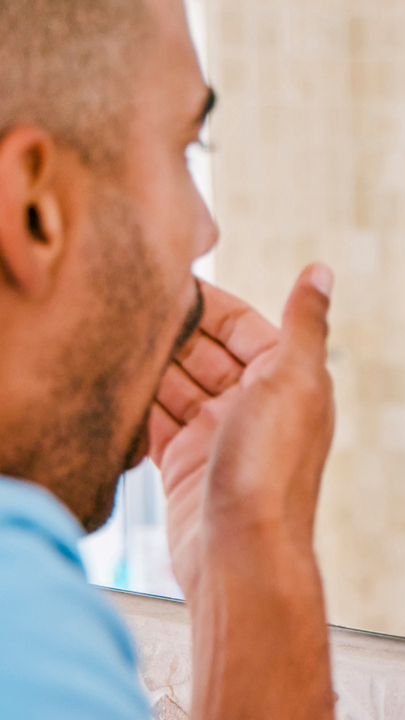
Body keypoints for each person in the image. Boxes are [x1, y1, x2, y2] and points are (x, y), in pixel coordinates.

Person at [0, 0, 337, 717]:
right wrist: (267, 553)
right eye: (186, 148)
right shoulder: (21, 625)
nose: (204, 231)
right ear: (34, 208)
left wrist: (244, 555)